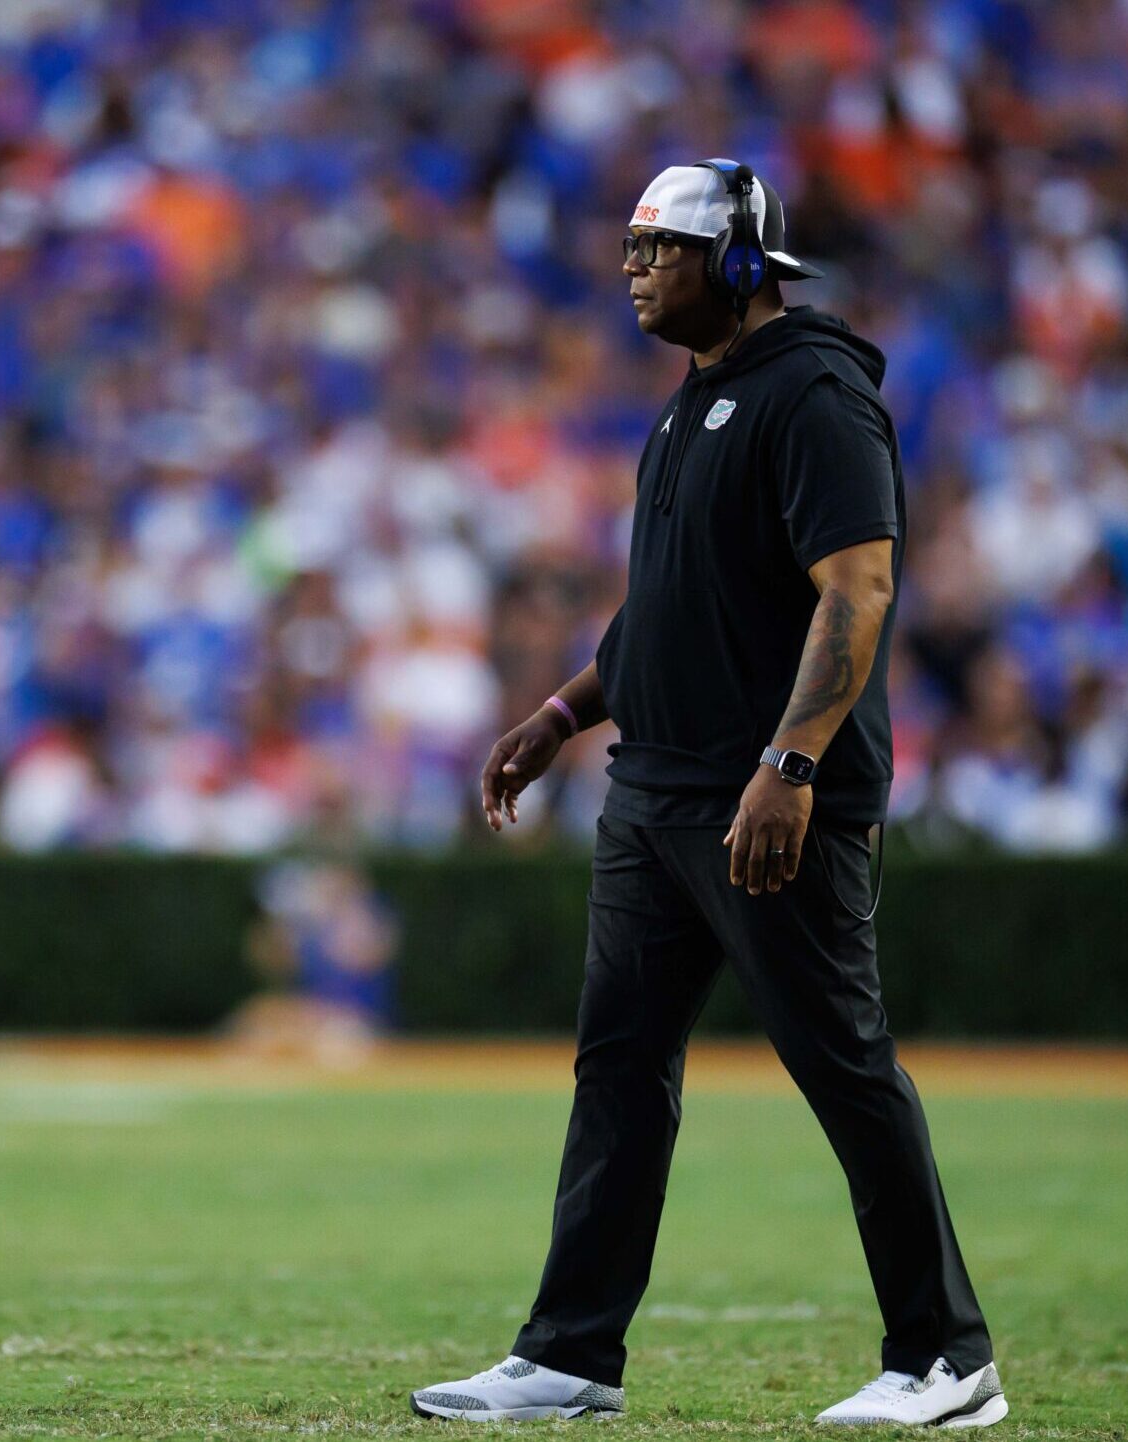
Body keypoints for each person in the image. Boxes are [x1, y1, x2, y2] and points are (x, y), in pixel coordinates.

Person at [410, 161, 1004, 1428]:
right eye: (627, 248)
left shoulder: (817, 394)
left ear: (737, 260)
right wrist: (564, 711)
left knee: (841, 1064)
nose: (631, 270)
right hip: (655, 795)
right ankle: (570, 1353)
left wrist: (789, 764)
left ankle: (948, 1357)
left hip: (767, 802)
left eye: (656, 248)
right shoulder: (692, 402)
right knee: (618, 1069)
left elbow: (858, 589)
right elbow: (669, 606)